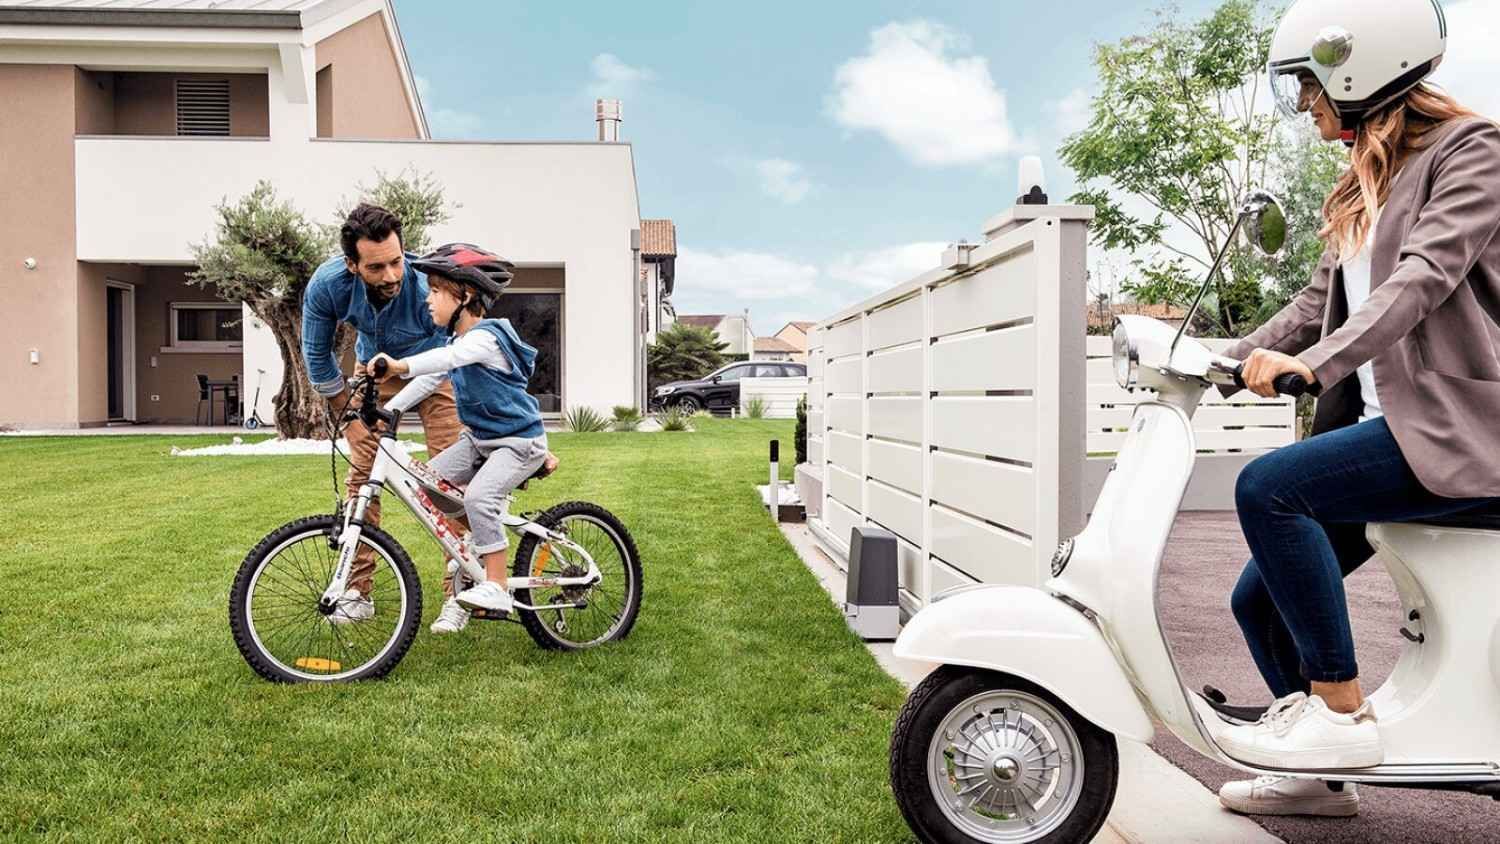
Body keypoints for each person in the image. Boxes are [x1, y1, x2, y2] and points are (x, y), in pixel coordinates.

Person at [1215, 0, 1500, 818]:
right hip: (1389, 432)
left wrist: (1309, 367)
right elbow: (1313, 306)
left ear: (1359, 73)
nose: (1306, 105)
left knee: (1270, 487)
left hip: (1460, 431)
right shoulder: (1359, 185)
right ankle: (1319, 781)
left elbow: (1423, 278)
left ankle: (1339, 716)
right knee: (1256, 602)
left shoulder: (1471, 152)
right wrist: (1213, 359)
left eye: (1311, 88)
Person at [301, 204, 468, 633]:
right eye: (376, 267)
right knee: (362, 479)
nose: (392, 275)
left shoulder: (424, 284)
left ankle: (461, 591)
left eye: (396, 261)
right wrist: (353, 422)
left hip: (432, 371)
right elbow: (317, 358)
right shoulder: (328, 286)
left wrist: (406, 378)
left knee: (447, 480)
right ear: (352, 265)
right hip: (374, 369)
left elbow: (445, 357)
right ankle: (357, 593)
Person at [371, 243, 558, 622]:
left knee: (477, 498)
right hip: (480, 440)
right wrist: (388, 410)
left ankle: (497, 586)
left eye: (435, 291)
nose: (427, 300)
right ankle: (481, 530)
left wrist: (399, 365)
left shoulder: (485, 339)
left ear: (466, 295)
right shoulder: (457, 342)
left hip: (517, 442)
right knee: (427, 485)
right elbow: (432, 378)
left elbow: (449, 360)